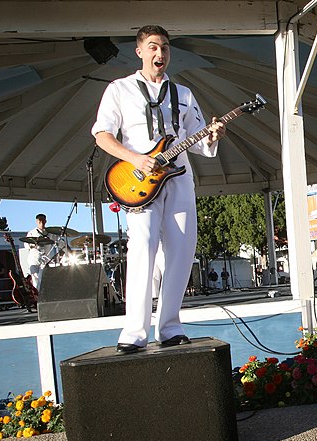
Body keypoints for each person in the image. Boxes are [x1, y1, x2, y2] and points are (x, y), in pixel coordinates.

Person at [92, 25, 225, 354]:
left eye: (164, 47)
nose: (160, 53)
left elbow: (197, 139)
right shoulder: (119, 89)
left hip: (178, 177)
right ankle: (134, 331)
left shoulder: (184, 94)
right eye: (153, 47)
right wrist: (135, 158)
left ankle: (170, 327)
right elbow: (102, 134)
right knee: (143, 249)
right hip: (139, 180)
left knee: (182, 251)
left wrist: (213, 135)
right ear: (139, 51)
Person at [24, 213, 55, 288]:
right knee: (35, 278)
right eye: (40, 221)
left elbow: (59, 242)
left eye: (43, 221)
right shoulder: (31, 232)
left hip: (45, 258)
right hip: (34, 258)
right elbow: (26, 245)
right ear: (37, 221)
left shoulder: (50, 233)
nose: (41, 223)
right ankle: (37, 296)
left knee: (43, 278)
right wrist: (33, 244)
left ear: (46, 221)